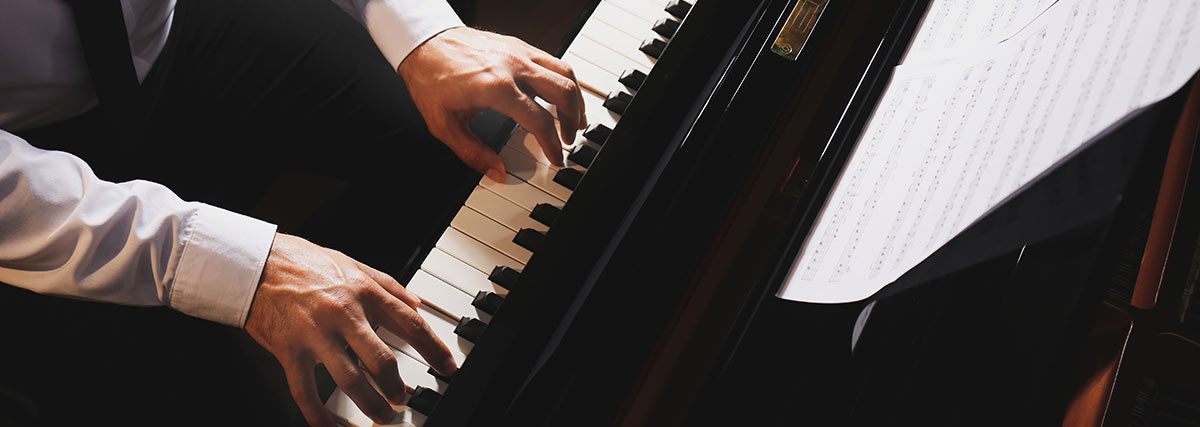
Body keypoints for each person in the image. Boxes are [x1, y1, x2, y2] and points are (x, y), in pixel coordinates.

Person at [0, 0, 584, 425]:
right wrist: (246, 268)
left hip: (170, 24)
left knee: (477, 137)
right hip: (25, 164)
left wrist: (424, 34)